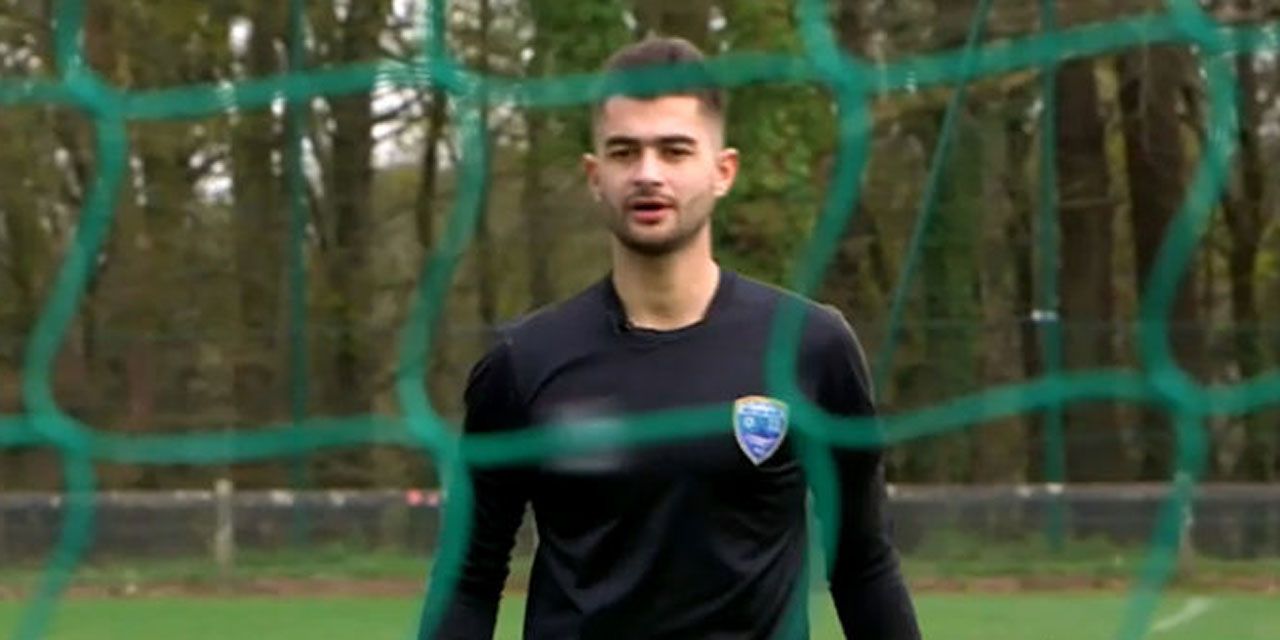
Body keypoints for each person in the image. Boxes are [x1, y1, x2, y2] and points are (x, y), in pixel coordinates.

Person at [431, 36, 921, 640]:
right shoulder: (524, 363)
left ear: (722, 171)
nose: (648, 174)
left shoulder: (811, 348)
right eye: (624, 152)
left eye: (674, 150)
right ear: (595, 175)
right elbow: (469, 580)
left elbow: (864, 565)